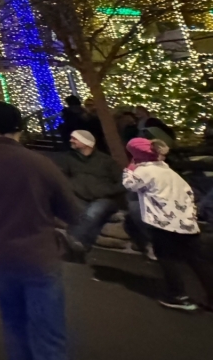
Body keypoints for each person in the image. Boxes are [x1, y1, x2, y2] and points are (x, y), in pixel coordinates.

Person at [0, 102, 79, 360]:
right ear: (20, 127)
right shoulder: (40, 163)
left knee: (14, 325)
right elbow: (72, 211)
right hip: (39, 254)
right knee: (48, 333)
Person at [122, 138, 213, 311]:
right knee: (196, 260)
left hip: (163, 222)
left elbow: (129, 184)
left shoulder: (145, 170)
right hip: (185, 221)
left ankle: (177, 295)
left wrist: (131, 167)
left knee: (166, 258)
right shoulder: (168, 170)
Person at [53, 130, 123, 257]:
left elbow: (122, 182)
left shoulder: (106, 161)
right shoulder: (68, 158)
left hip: (104, 198)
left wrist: (107, 191)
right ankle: (82, 247)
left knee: (93, 213)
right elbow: (61, 176)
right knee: (80, 213)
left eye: (75, 139)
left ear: (86, 142)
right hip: (80, 195)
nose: (71, 141)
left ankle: (73, 238)